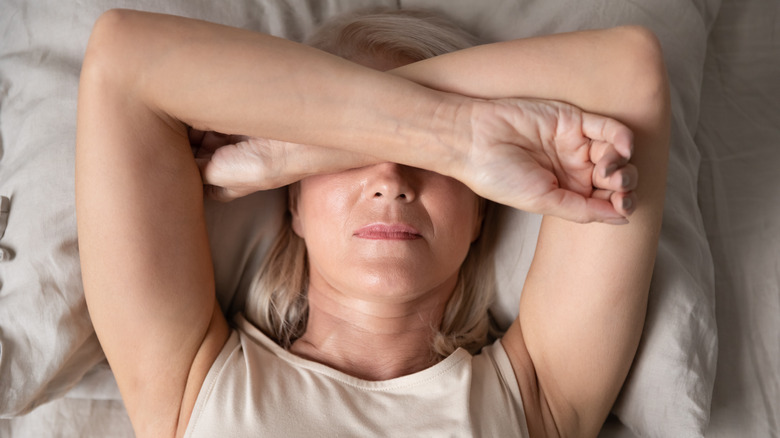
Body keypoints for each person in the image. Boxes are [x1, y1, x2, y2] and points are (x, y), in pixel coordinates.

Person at [76, 7, 669, 438]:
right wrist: (455, 136)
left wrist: (297, 148)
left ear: (480, 210)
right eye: (349, 155)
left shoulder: (538, 397)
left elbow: (627, 71)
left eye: (432, 163)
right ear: (294, 205)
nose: (392, 178)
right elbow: (123, 57)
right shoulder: (191, 386)